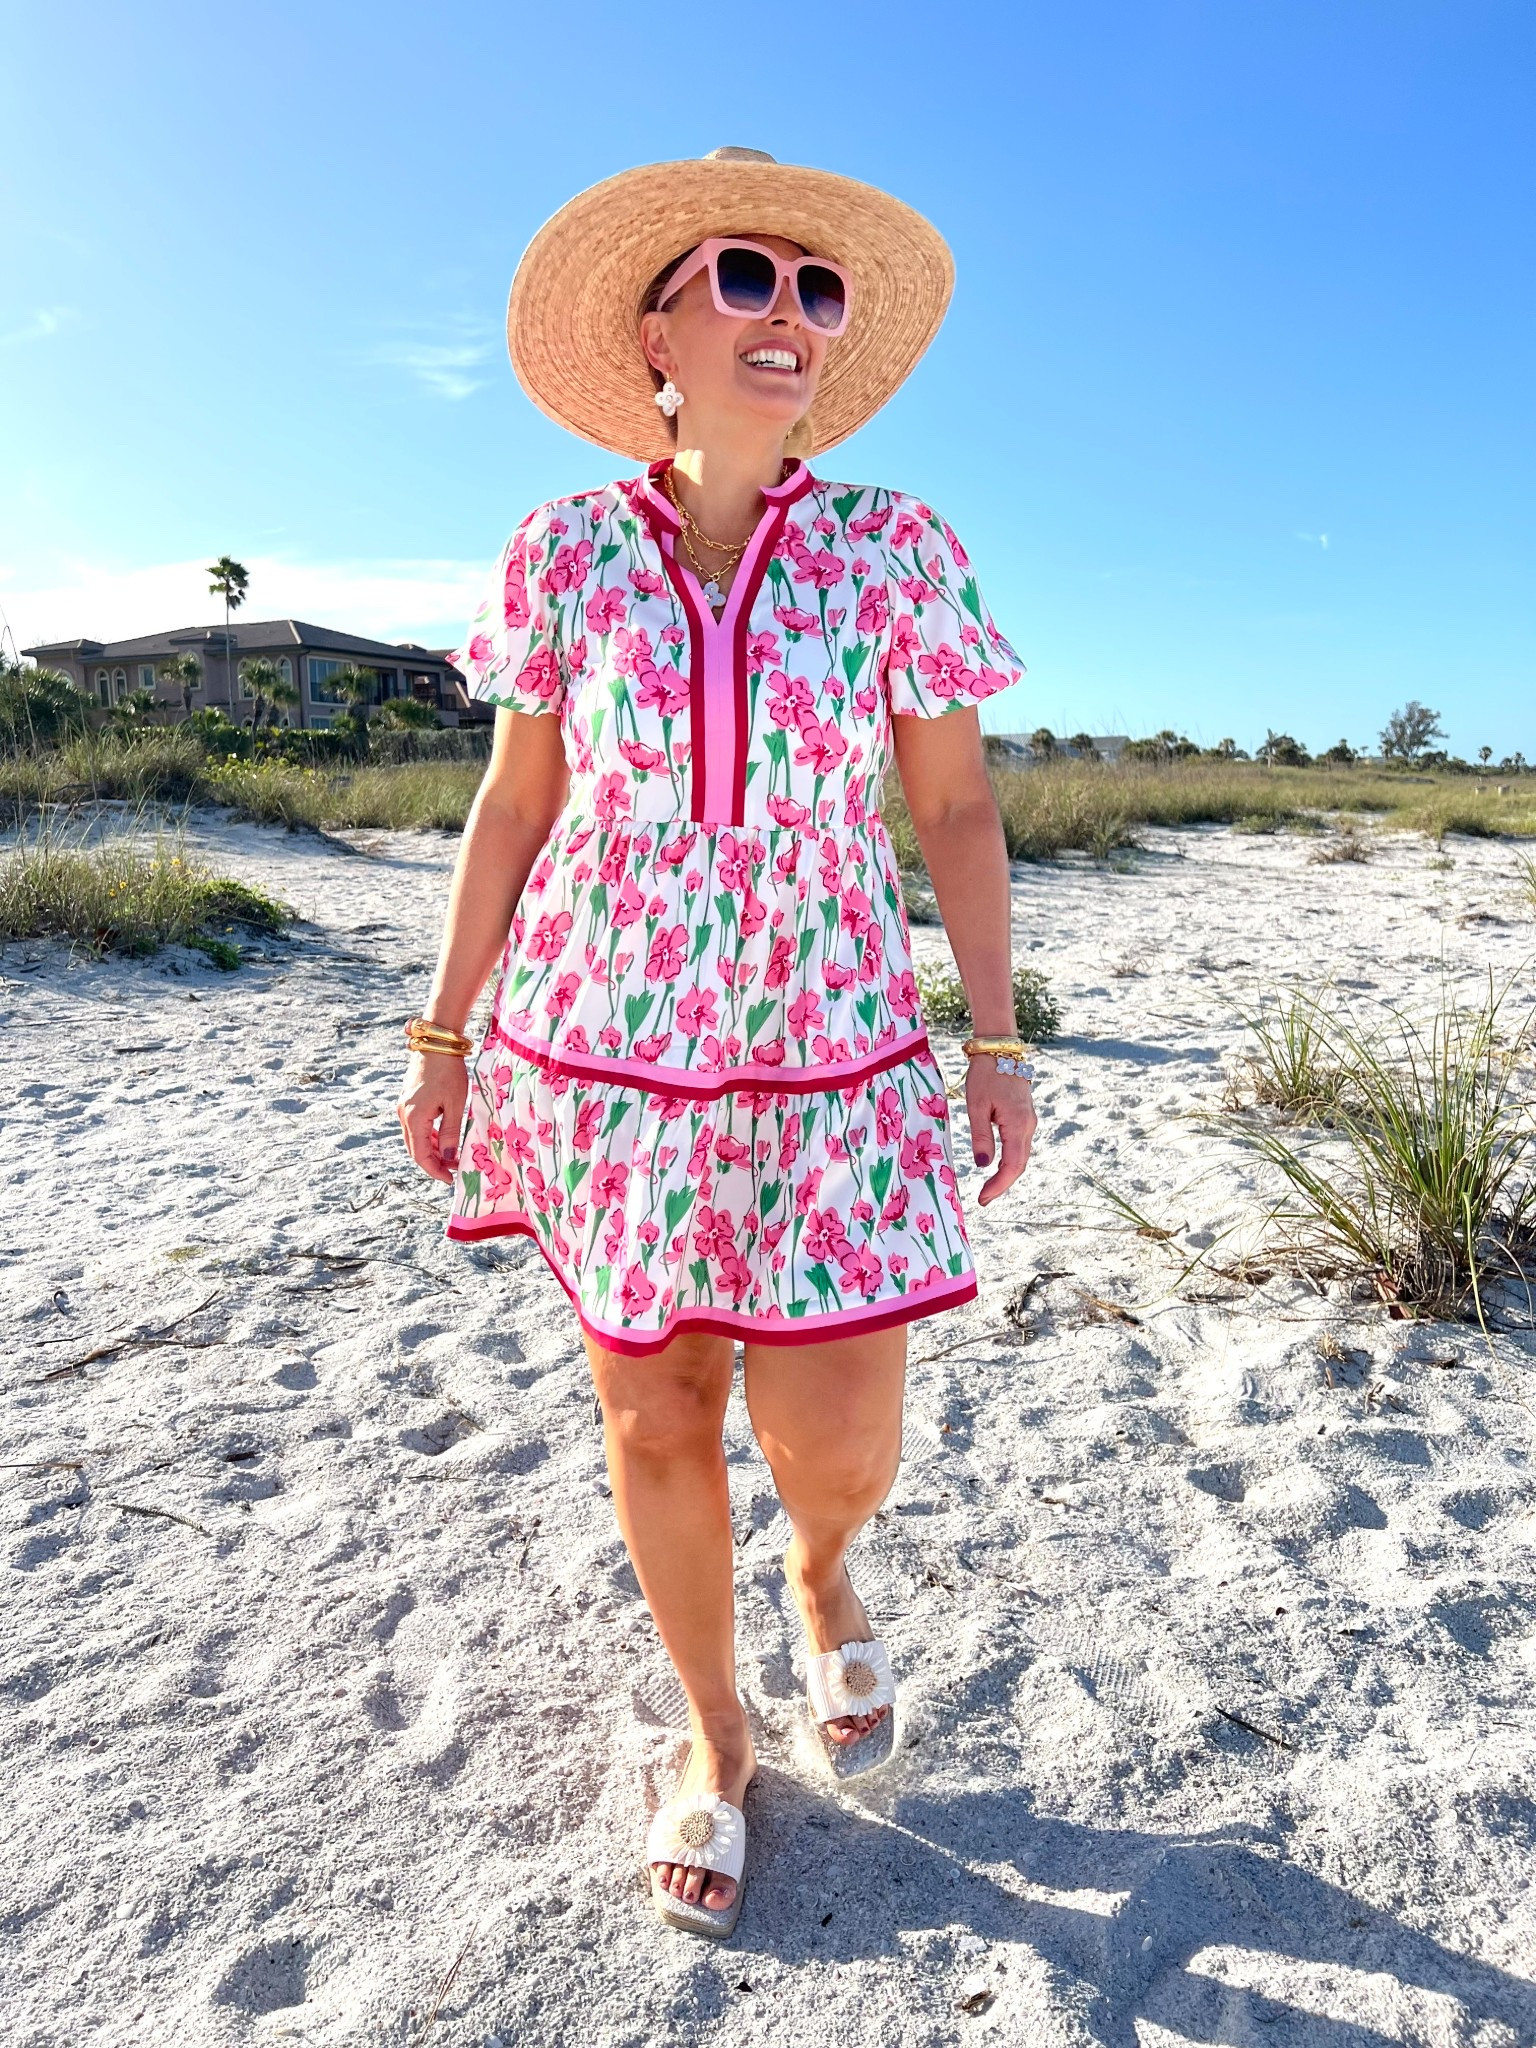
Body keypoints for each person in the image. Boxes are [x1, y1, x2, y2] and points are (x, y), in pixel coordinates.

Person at [397, 147, 1036, 1941]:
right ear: (656, 335)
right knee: (656, 1403)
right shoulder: (563, 550)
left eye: (818, 291)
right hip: (603, 1050)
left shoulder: (894, 546)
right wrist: (446, 1028)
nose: (791, 316)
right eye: (746, 277)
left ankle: (824, 1574)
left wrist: (995, 1040)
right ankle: (716, 1730)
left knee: (839, 1438)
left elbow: (955, 808)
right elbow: (515, 806)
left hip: (833, 1042)